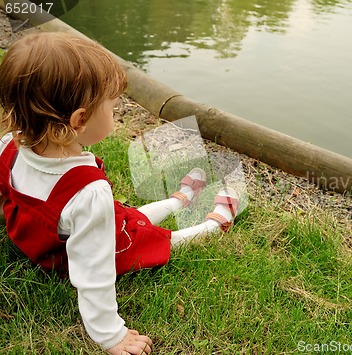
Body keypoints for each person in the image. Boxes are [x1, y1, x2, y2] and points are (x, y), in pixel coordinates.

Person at [0, 32, 240, 354]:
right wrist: (111, 335)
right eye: (112, 108)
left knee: (130, 216)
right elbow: (93, 273)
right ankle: (212, 226)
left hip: (57, 236)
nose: (115, 113)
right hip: (78, 251)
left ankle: (177, 200)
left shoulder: (7, 147)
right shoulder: (88, 192)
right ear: (80, 120)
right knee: (158, 238)